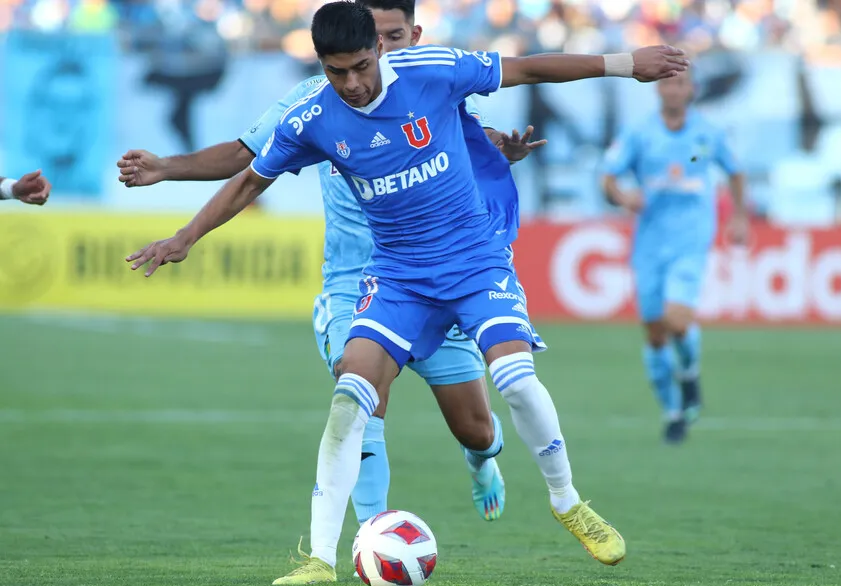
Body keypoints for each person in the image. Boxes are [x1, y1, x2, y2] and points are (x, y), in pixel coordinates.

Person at [126, 0, 688, 584]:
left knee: (510, 387)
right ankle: (320, 558)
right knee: (352, 396)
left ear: (382, 47)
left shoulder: (432, 70)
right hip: (396, 277)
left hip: (474, 264)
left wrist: (625, 62)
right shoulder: (311, 117)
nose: (353, 83)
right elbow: (249, 178)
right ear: (320, 64)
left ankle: (568, 502)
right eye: (337, 72)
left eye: (363, 65)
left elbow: (527, 68)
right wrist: (185, 236)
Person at [116, 0, 547, 535]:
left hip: (442, 274)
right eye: (374, 39)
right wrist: (168, 168)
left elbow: (474, 144)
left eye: (393, 37)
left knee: (476, 428)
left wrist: (498, 148)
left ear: (411, 35)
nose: (381, 51)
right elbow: (246, 157)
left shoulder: (430, 83)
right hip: (356, 281)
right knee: (359, 398)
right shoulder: (315, 103)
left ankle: (482, 460)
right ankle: (376, 536)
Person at [602, 72, 747, 444]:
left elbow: (735, 171)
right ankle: (673, 411)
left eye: (681, 83)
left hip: (691, 239)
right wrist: (622, 197)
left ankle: (690, 374)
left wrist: (740, 216)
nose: (674, 90)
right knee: (654, 334)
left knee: (677, 321)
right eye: (668, 83)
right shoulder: (639, 132)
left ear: (692, 89)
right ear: (658, 89)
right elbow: (608, 177)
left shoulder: (708, 132)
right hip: (650, 243)